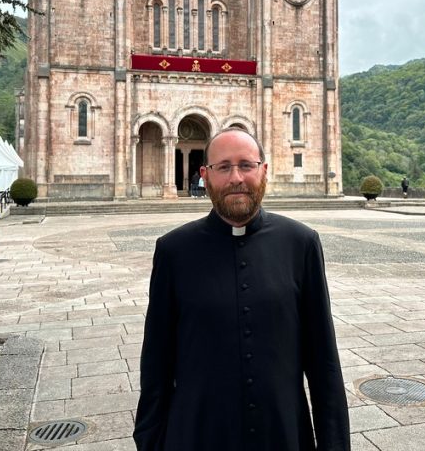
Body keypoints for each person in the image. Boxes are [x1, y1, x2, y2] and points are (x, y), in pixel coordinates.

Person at [134, 128, 350, 451]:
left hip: (282, 436)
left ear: (263, 170)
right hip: (197, 436)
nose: (236, 177)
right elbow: (156, 366)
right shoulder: (174, 251)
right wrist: (151, 442)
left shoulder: (301, 244)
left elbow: (324, 365)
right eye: (223, 167)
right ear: (204, 176)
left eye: (246, 165)